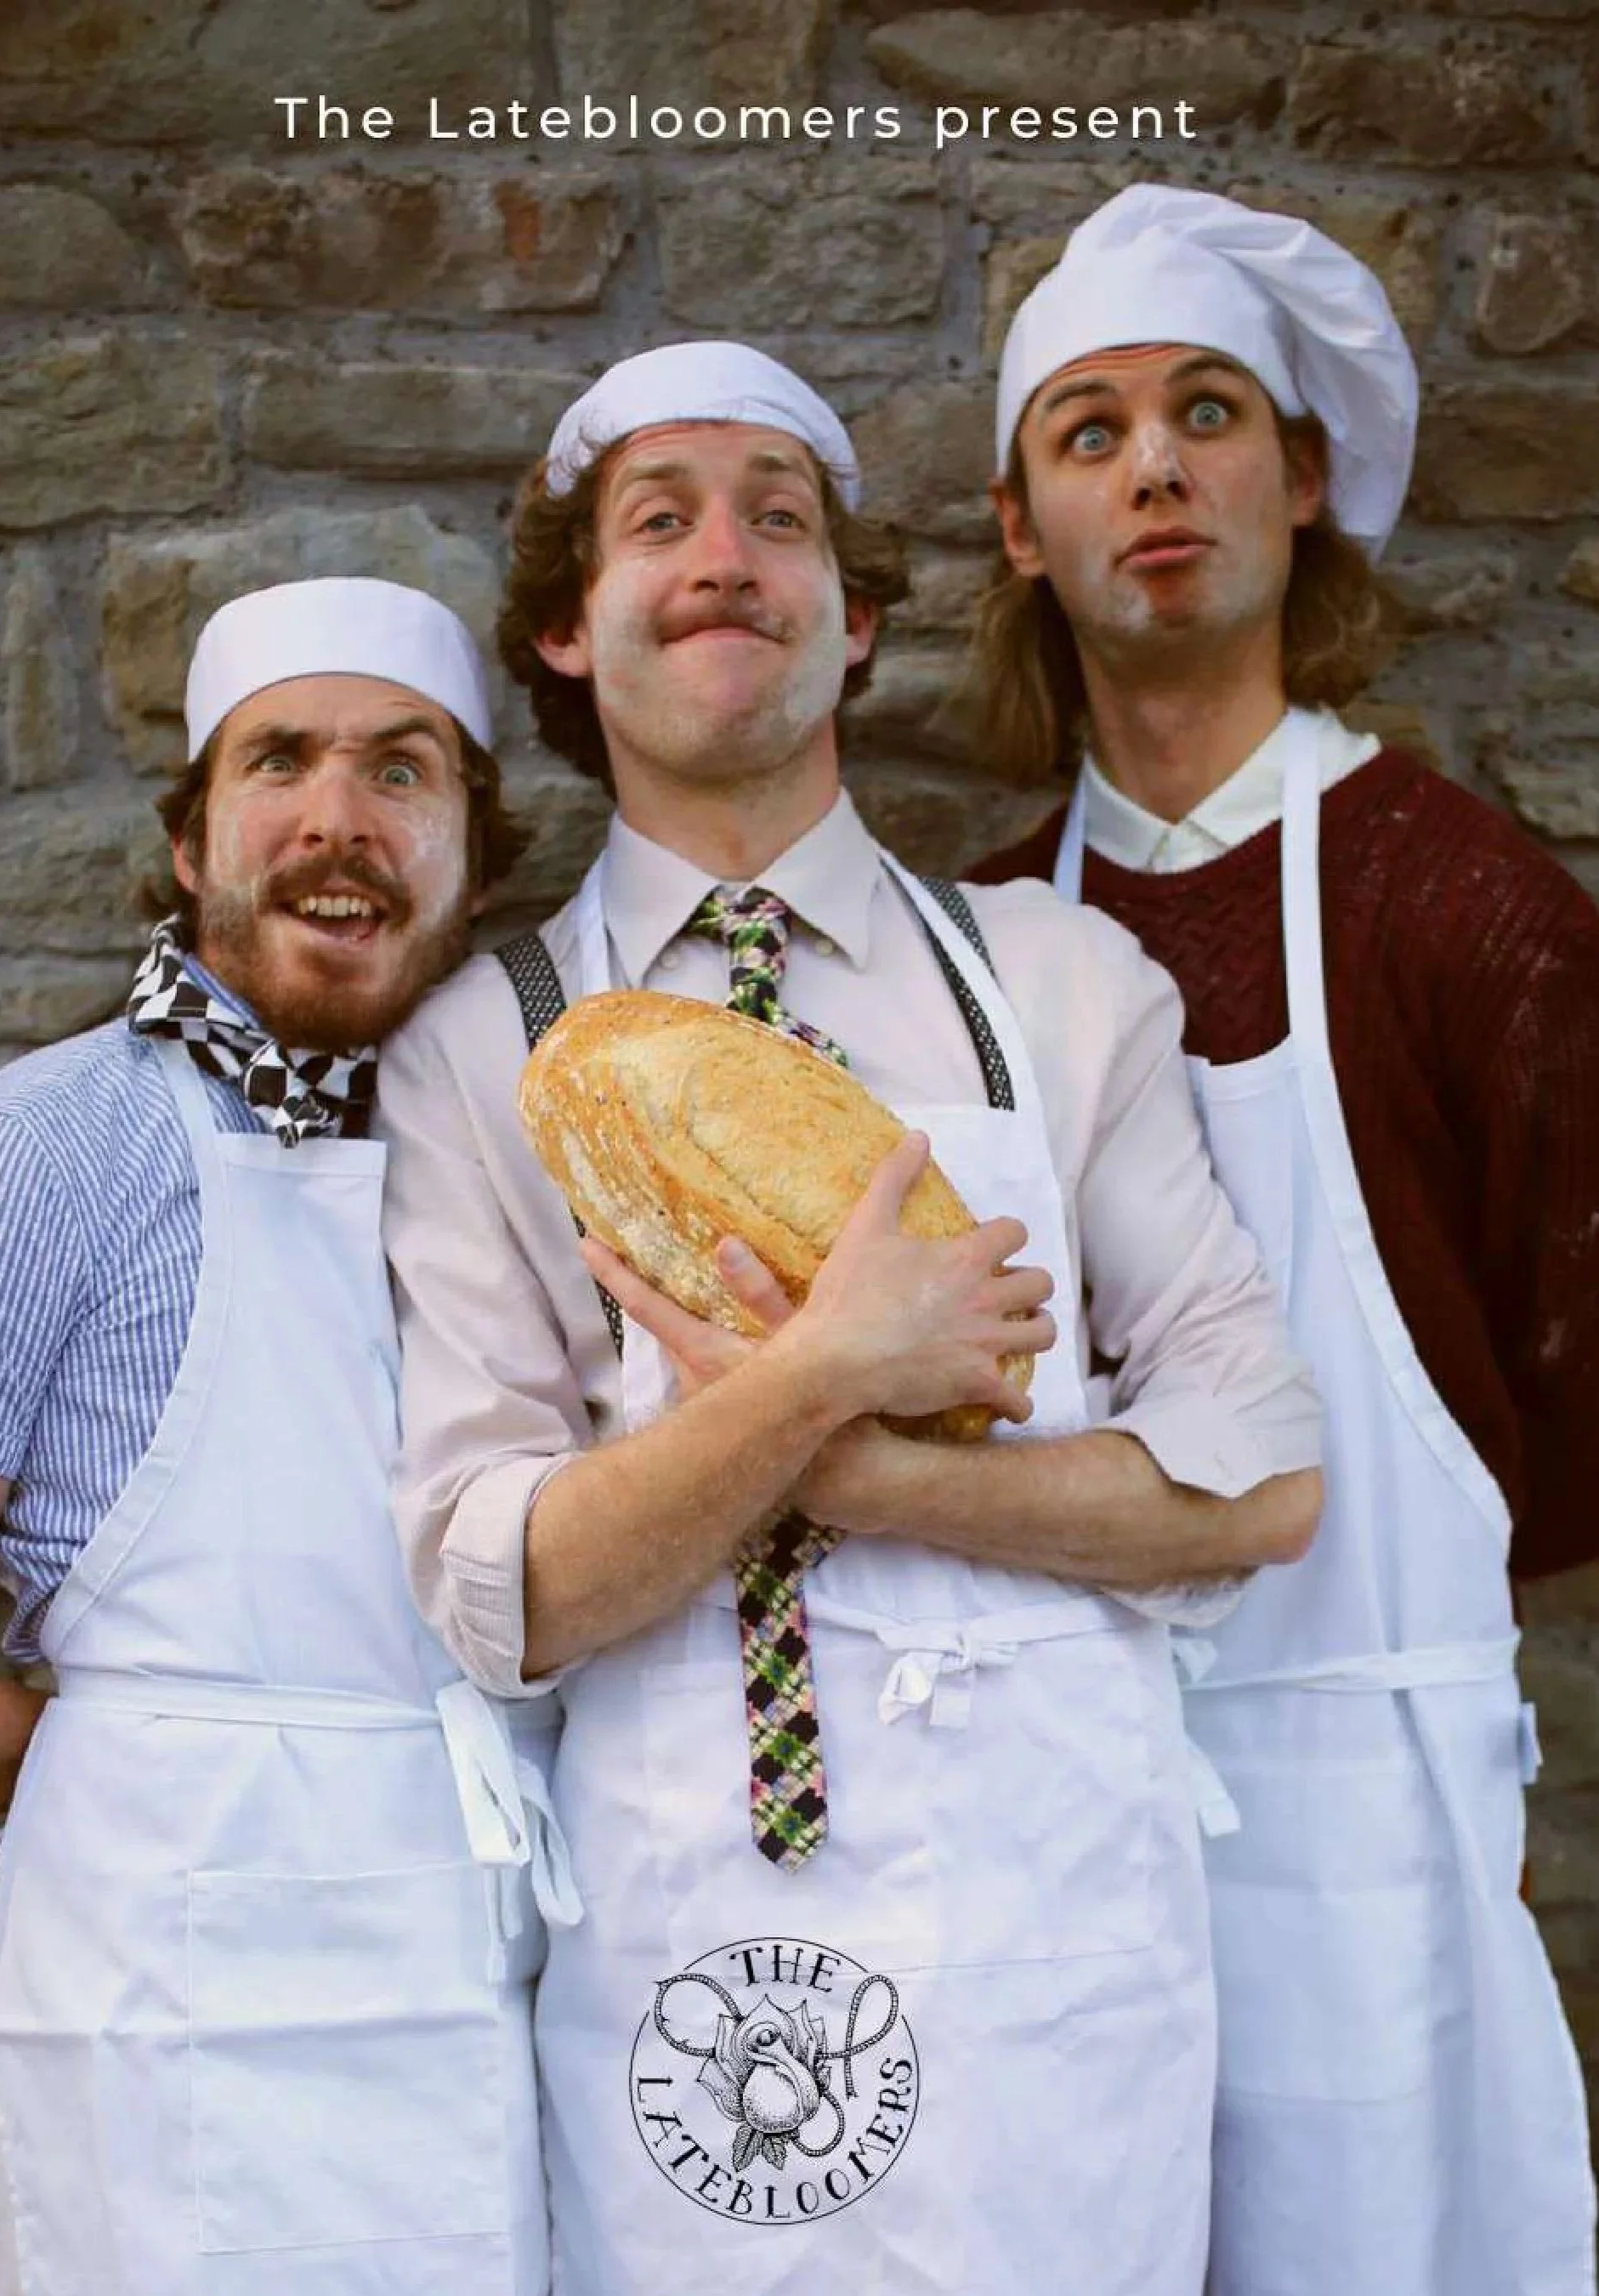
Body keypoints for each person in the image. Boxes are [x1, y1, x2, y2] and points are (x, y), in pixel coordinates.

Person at [377, 339, 1324, 2296]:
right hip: (709, 1970)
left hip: (1059, 1948)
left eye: (780, 520)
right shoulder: (481, 1050)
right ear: (566, 627)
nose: (724, 558)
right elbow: (505, 1592)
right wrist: (825, 1375)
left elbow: (1261, 1484)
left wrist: (871, 1474)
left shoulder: (1057, 984)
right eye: (660, 521)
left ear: (856, 617)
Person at [968, 183, 1599, 2296]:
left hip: (1368, 1841)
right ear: (1018, 529)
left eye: (1206, 414)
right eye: (1090, 432)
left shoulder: (1478, 918)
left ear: (1301, 480)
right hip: (1055, 1835)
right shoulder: (983, 943)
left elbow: (1567, 1430)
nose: (1153, 469)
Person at [0, 577, 568, 2296]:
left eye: (401, 770)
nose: (337, 819)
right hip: (164, 1987)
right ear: (192, 844)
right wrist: (109, 1774)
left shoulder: (530, 1157)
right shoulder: (46, 1146)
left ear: (473, 858)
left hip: (474, 1959)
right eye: (280, 761)